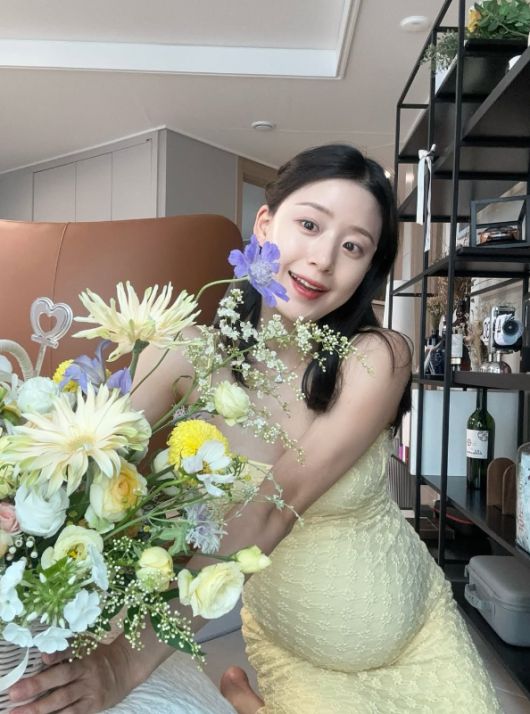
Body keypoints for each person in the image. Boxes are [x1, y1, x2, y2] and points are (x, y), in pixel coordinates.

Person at [8, 144, 501, 714]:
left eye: (353, 247)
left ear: (368, 269)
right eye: (310, 225)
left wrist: (123, 664)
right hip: (299, 650)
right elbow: (84, 463)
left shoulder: (378, 356)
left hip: (419, 638)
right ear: (264, 223)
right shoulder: (186, 352)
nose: (323, 260)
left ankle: (242, 697)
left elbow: (275, 506)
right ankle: (247, 695)